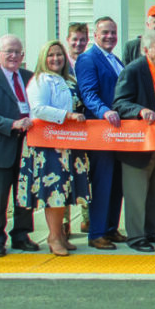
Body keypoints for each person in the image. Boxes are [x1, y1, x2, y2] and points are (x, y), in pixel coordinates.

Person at [17, 41, 91, 256]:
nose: (56, 59)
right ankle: (53, 237)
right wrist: (67, 116)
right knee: (54, 193)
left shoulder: (68, 80)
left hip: (68, 143)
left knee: (64, 192)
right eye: (51, 55)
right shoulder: (40, 80)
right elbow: (38, 109)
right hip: (47, 146)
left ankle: (59, 234)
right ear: (43, 58)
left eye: (59, 55)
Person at [113, 29, 155, 253]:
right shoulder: (133, 71)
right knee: (137, 194)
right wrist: (139, 111)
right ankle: (136, 236)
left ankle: (151, 230)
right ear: (145, 50)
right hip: (138, 145)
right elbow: (119, 103)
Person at [0, 34, 39, 258]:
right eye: (8, 52)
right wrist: (12, 124)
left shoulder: (30, 77)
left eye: (17, 52)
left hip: (27, 146)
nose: (13, 56)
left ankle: (21, 235)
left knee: (24, 195)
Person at [75, 17, 127, 250]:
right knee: (103, 181)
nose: (110, 36)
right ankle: (96, 233)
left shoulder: (115, 59)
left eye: (113, 32)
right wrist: (104, 111)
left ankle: (110, 228)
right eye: (105, 32)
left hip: (120, 132)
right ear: (95, 34)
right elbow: (88, 93)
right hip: (101, 130)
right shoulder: (88, 59)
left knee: (117, 181)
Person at [65, 21, 90, 232]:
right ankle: (64, 222)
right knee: (63, 174)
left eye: (82, 39)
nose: (78, 43)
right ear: (68, 40)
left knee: (84, 172)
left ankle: (86, 217)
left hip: (86, 127)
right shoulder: (59, 62)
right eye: (75, 39)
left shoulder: (88, 61)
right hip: (63, 128)